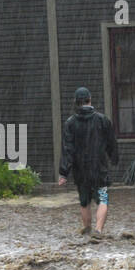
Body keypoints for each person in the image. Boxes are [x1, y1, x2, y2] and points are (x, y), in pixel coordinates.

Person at [57, 86, 119, 236]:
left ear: (76, 102)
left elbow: (68, 149)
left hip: (81, 171)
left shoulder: (70, 123)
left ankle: (87, 230)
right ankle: (98, 230)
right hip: (99, 168)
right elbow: (112, 143)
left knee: (84, 202)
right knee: (102, 200)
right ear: (89, 100)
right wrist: (114, 158)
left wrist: (63, 173)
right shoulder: (103, 120)